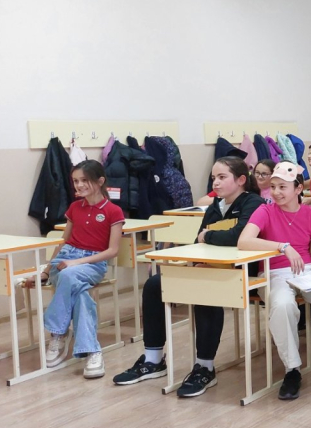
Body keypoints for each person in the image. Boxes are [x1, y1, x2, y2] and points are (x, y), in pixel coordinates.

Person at [113, 156, 266, 396]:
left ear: (241, 180)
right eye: (213, 178)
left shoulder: (253, 203)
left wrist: (210, 236)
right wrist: (206, 244)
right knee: (154, 285)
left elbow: (239, 237)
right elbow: (198, 239)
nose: (215, 182)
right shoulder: (216, 206)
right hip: (207, 266)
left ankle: (205, 367)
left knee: (204, 289)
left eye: (222, 177)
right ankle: (153, 359)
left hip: (239, 272)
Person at [238, 161, 311, 400]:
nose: (276, 192)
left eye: (282, 187)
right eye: (273, 186)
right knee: (283, 305)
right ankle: (292, 369)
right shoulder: (265, 210)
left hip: (308, 271)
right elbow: (244, 241)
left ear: (298, 189)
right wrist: (282, 247)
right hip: (274, 272)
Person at [40, 160, 124, 379]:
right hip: (65, 260)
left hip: (92, 264)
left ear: (100, 181)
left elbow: (113, 251)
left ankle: (58, 332)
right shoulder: (74, 207)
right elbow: (63, 242)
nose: (79, 185)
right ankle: (92, 351)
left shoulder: (113, 211)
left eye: (84, 180)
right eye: (75, 181)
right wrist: (47, 270)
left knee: (69, 275)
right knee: (81, 295)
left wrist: (77, 263)